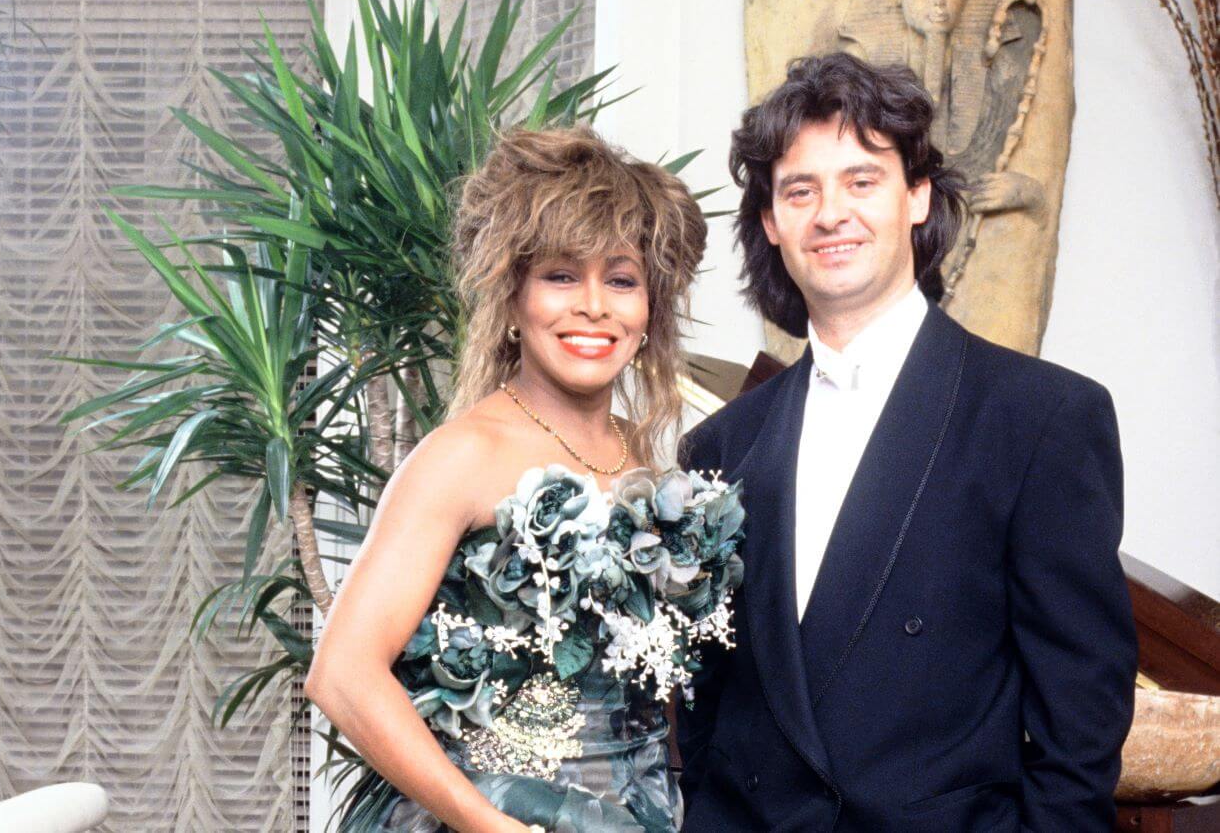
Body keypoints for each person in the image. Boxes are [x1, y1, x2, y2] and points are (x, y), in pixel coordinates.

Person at [677, 53, 1137, 832]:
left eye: (862, 180)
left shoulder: (1041, 418)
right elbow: (710, 711)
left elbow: (1081, 723)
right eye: (800, 189)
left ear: (918, 195)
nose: (831, 214)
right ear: (769, 222)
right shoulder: (720, 446)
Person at [305, 126, 745, 833]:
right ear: (512, 297)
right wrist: (489, 826)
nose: (594, 306)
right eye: (561, 275)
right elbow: (342, 677)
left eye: (622, 279)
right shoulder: (462, 457)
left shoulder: (649, 464)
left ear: (650, 311)